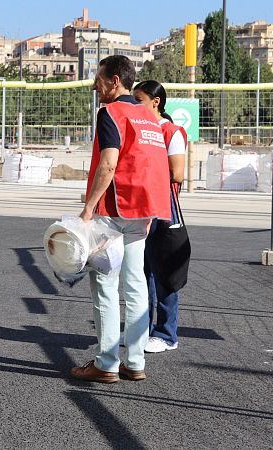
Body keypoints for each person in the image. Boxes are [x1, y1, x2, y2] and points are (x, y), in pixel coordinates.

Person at [71, 55, 171, 384]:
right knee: (136, 284)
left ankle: (106, 363)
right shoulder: (149, 117)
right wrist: (151, 209)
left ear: (115, 81)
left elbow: (109, 163)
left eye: (98, 80)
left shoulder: (111, 113)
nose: (94, 86)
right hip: (142, 211)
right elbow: (155, 164)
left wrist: (89, 207)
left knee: (105, 284)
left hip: (114, 210)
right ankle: (136, 361)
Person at [133, 80, 187, 354]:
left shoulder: (171, 131)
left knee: (164, 273)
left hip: (164, 208)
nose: (134, 105)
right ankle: (142, 329)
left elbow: (178, 174)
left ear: (155, 102)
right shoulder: (141, 128)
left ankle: (166, 334)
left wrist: (148, 170)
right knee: (140, 272)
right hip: (142, 206)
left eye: (139, 100)